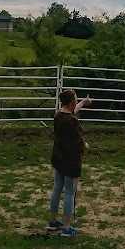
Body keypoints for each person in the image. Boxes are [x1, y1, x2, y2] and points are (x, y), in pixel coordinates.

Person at [47, 88, 92, 237]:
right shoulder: (73, 122)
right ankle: (66, 227)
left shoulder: (58, 115)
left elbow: (72, 112)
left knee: (57, 189)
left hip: (58, 158)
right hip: (71, 161)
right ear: (72, 101)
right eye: (76, 99)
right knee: (70, 193)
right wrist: (85, 144)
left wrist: (83, 103)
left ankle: (53, 221)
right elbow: (79, 142)